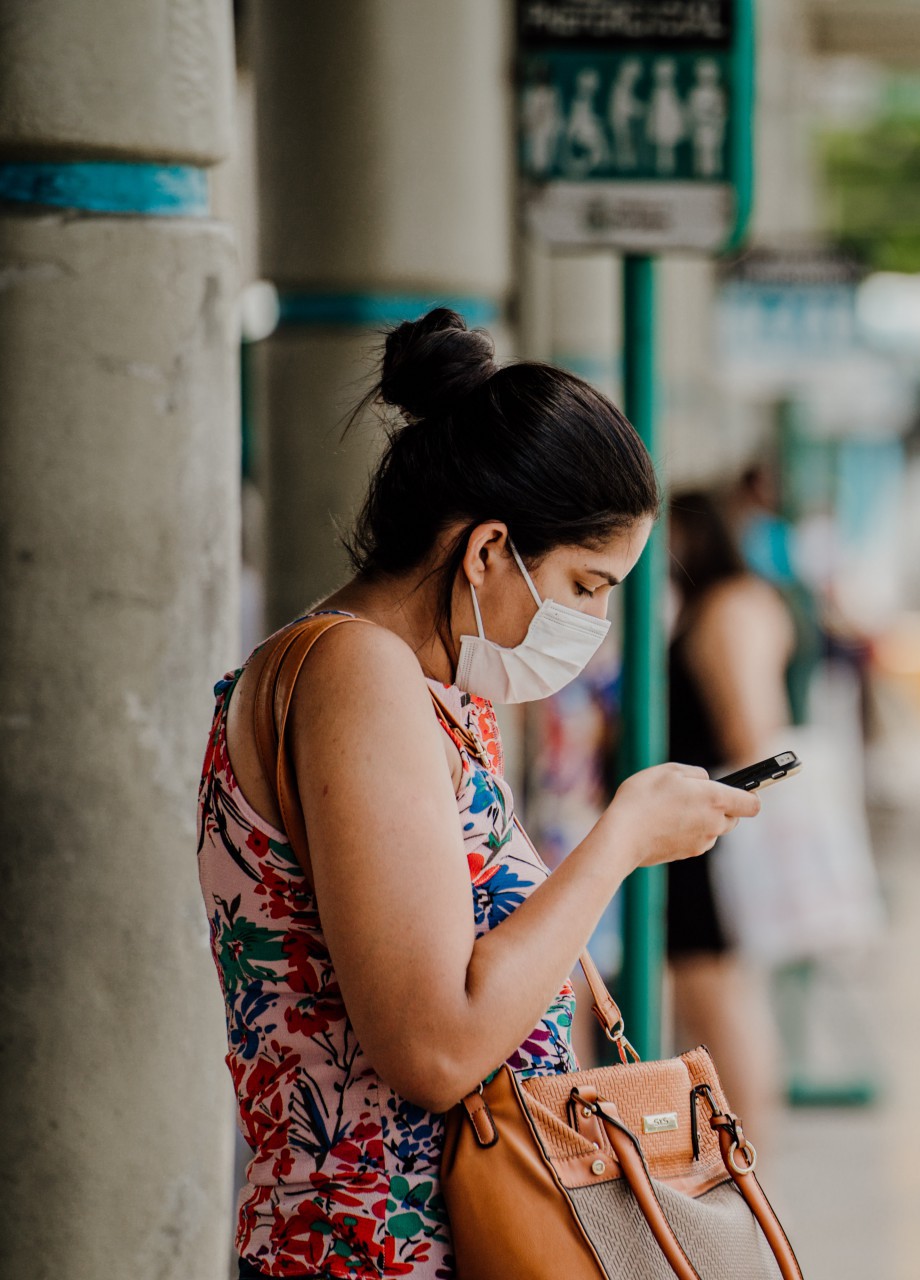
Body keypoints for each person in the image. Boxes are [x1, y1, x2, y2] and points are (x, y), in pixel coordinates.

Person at [196, 309, 759, 1280]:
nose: (597, 621)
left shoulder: (435, 693)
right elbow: (435, 1047)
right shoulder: (355, 674)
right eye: (587, 584)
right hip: (369, 1253)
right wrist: (619, 838)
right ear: (489, 550)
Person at [665, 491, 794, 1133]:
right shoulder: (742, 602)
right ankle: (747, 1163)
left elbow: (750, 728)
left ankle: (751, 1165)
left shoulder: (725, 608)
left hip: (706, 832)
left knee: (715, 1000)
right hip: (703, 826)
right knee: (717, 1000)